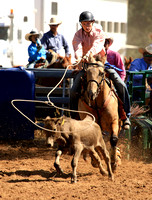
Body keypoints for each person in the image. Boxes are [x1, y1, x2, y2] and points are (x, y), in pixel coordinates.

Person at [70, 11, 131, 129]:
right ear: (81, 24)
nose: (87, 25)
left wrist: (88, 54)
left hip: (101, 63)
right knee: (73, 90)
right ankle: (74, 117)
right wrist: (79, 58)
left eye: (89, 23)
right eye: (84, 23)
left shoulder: (99, 32)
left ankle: (126, 116)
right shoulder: (77, 35)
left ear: (93, 23)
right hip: (87, 65)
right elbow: (77, 47)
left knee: (120, 84)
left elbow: (97, 46)